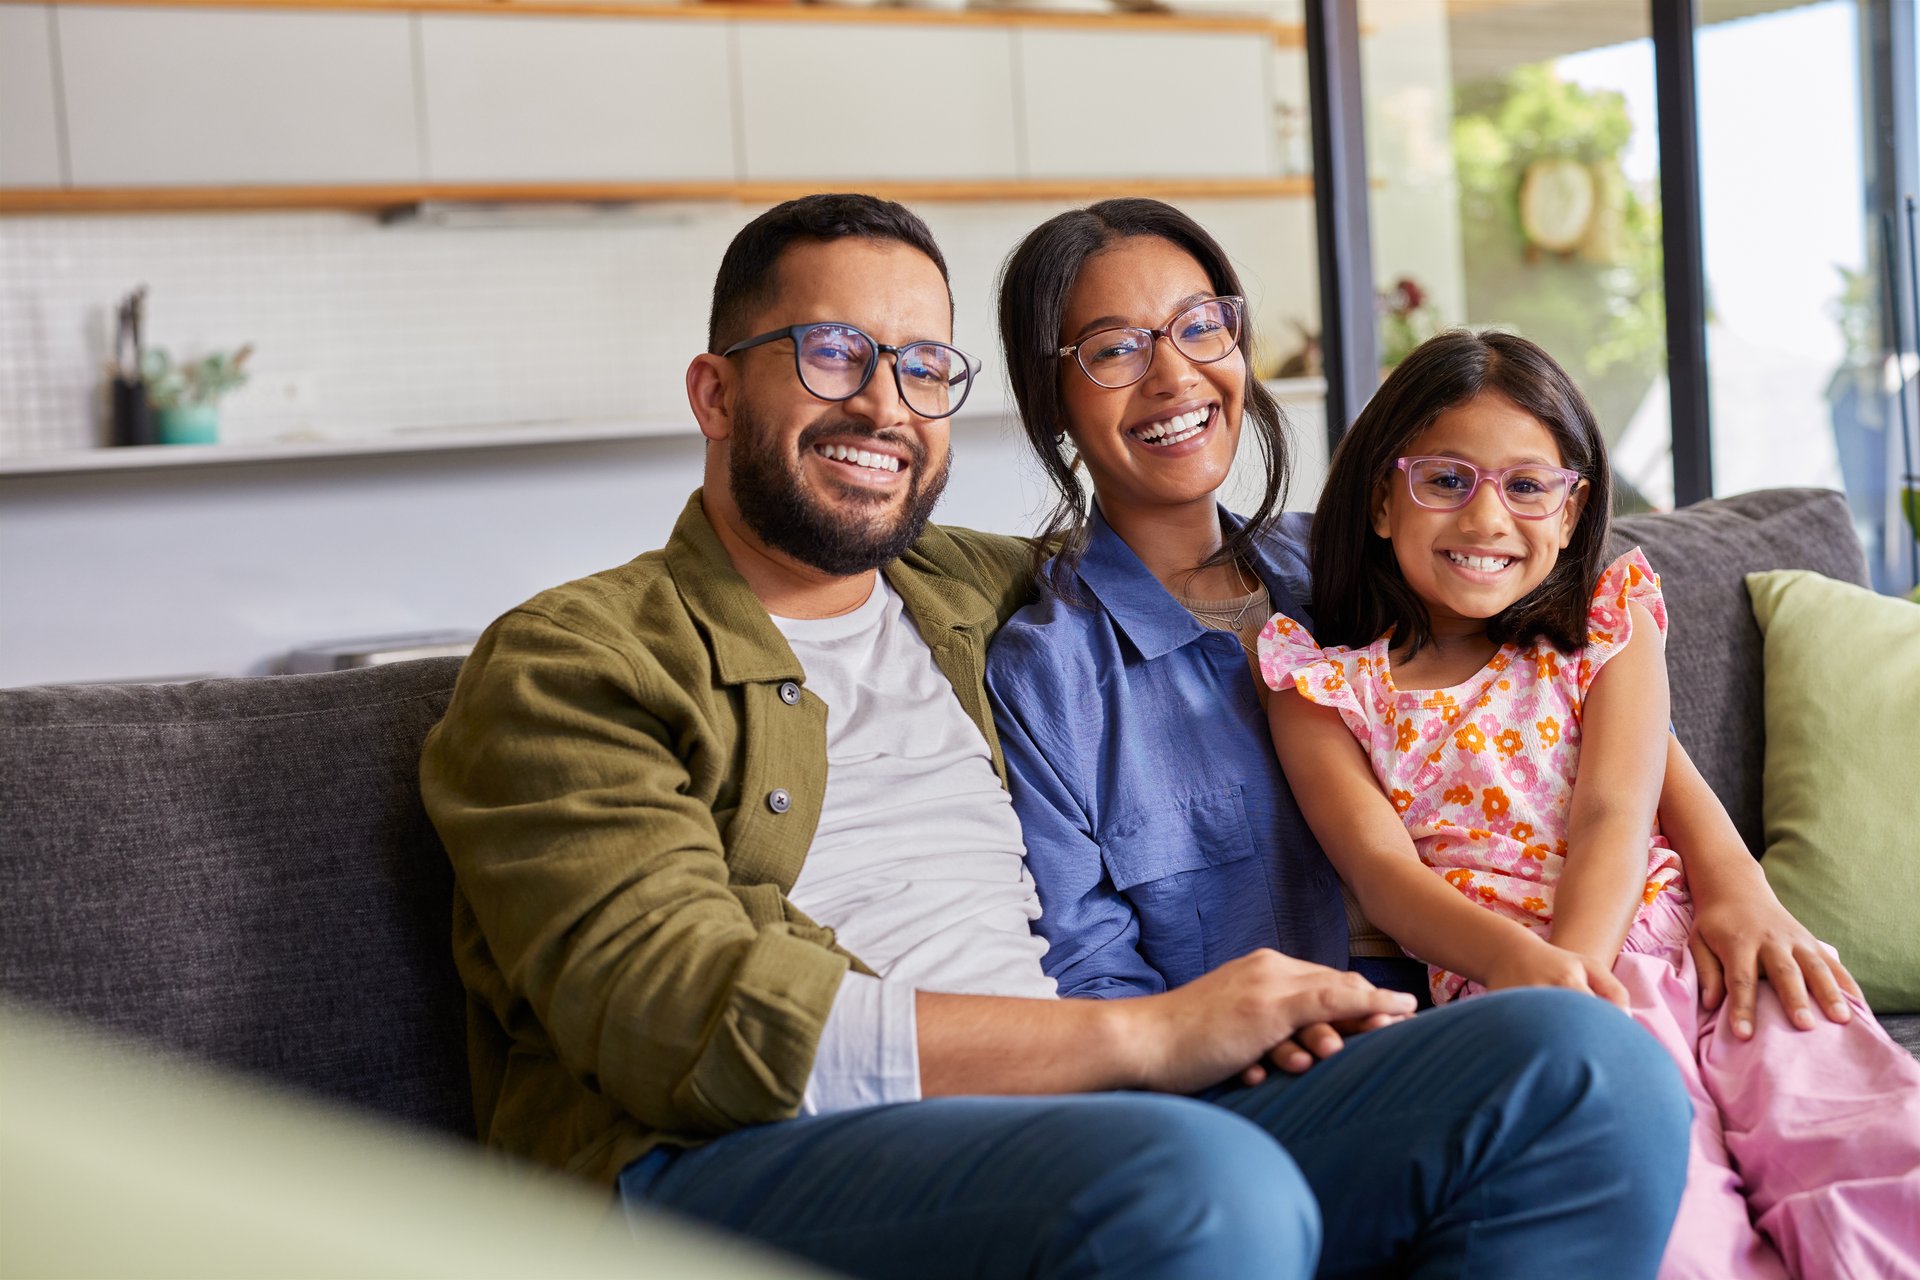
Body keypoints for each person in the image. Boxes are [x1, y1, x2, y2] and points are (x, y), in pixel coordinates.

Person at [421, 192, 1692, 1280]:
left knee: (1586, 1065)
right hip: (735, 1156)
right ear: (714, 389)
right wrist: (1149, 1033)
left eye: (922, 366)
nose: (881, 404)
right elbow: (678, 1011)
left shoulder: (980, 591)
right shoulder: (572, 660)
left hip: (1099, 1113)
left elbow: (1529, 643)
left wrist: (1729, 875)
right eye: (830, 353)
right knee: (1196, 1182)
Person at [986, 196, 1862, 1073]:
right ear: (1050, 396)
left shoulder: (1374, 555)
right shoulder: (1053, 673)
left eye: (1200, 326)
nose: (1174, 376)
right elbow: (1090, 971)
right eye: (1113, 349)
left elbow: (1586, 704)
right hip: (1314, 1072)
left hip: (1525, 994)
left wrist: (1737, 884)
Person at [1256, 327, 1920, 1279]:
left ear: (1571, 514)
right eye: (1447, 479)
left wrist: (1586, 963)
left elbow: (1617, 804)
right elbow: (1382, 874)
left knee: (1875, 1160)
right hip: (1516, 990)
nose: (1488, 518)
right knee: (1676, 1234)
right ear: (1379, 497)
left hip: (1692, 952)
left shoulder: (1609, 626)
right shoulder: (1319, 685)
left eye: (1528, 486)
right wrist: (1548, 985)